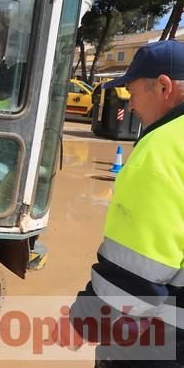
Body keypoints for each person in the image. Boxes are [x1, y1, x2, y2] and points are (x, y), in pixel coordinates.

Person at [50, 40, 184, 367]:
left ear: (163, 87)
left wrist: (85, 322)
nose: (131, 104)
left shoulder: (162, 150)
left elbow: (139, 267)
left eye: (133, 92)